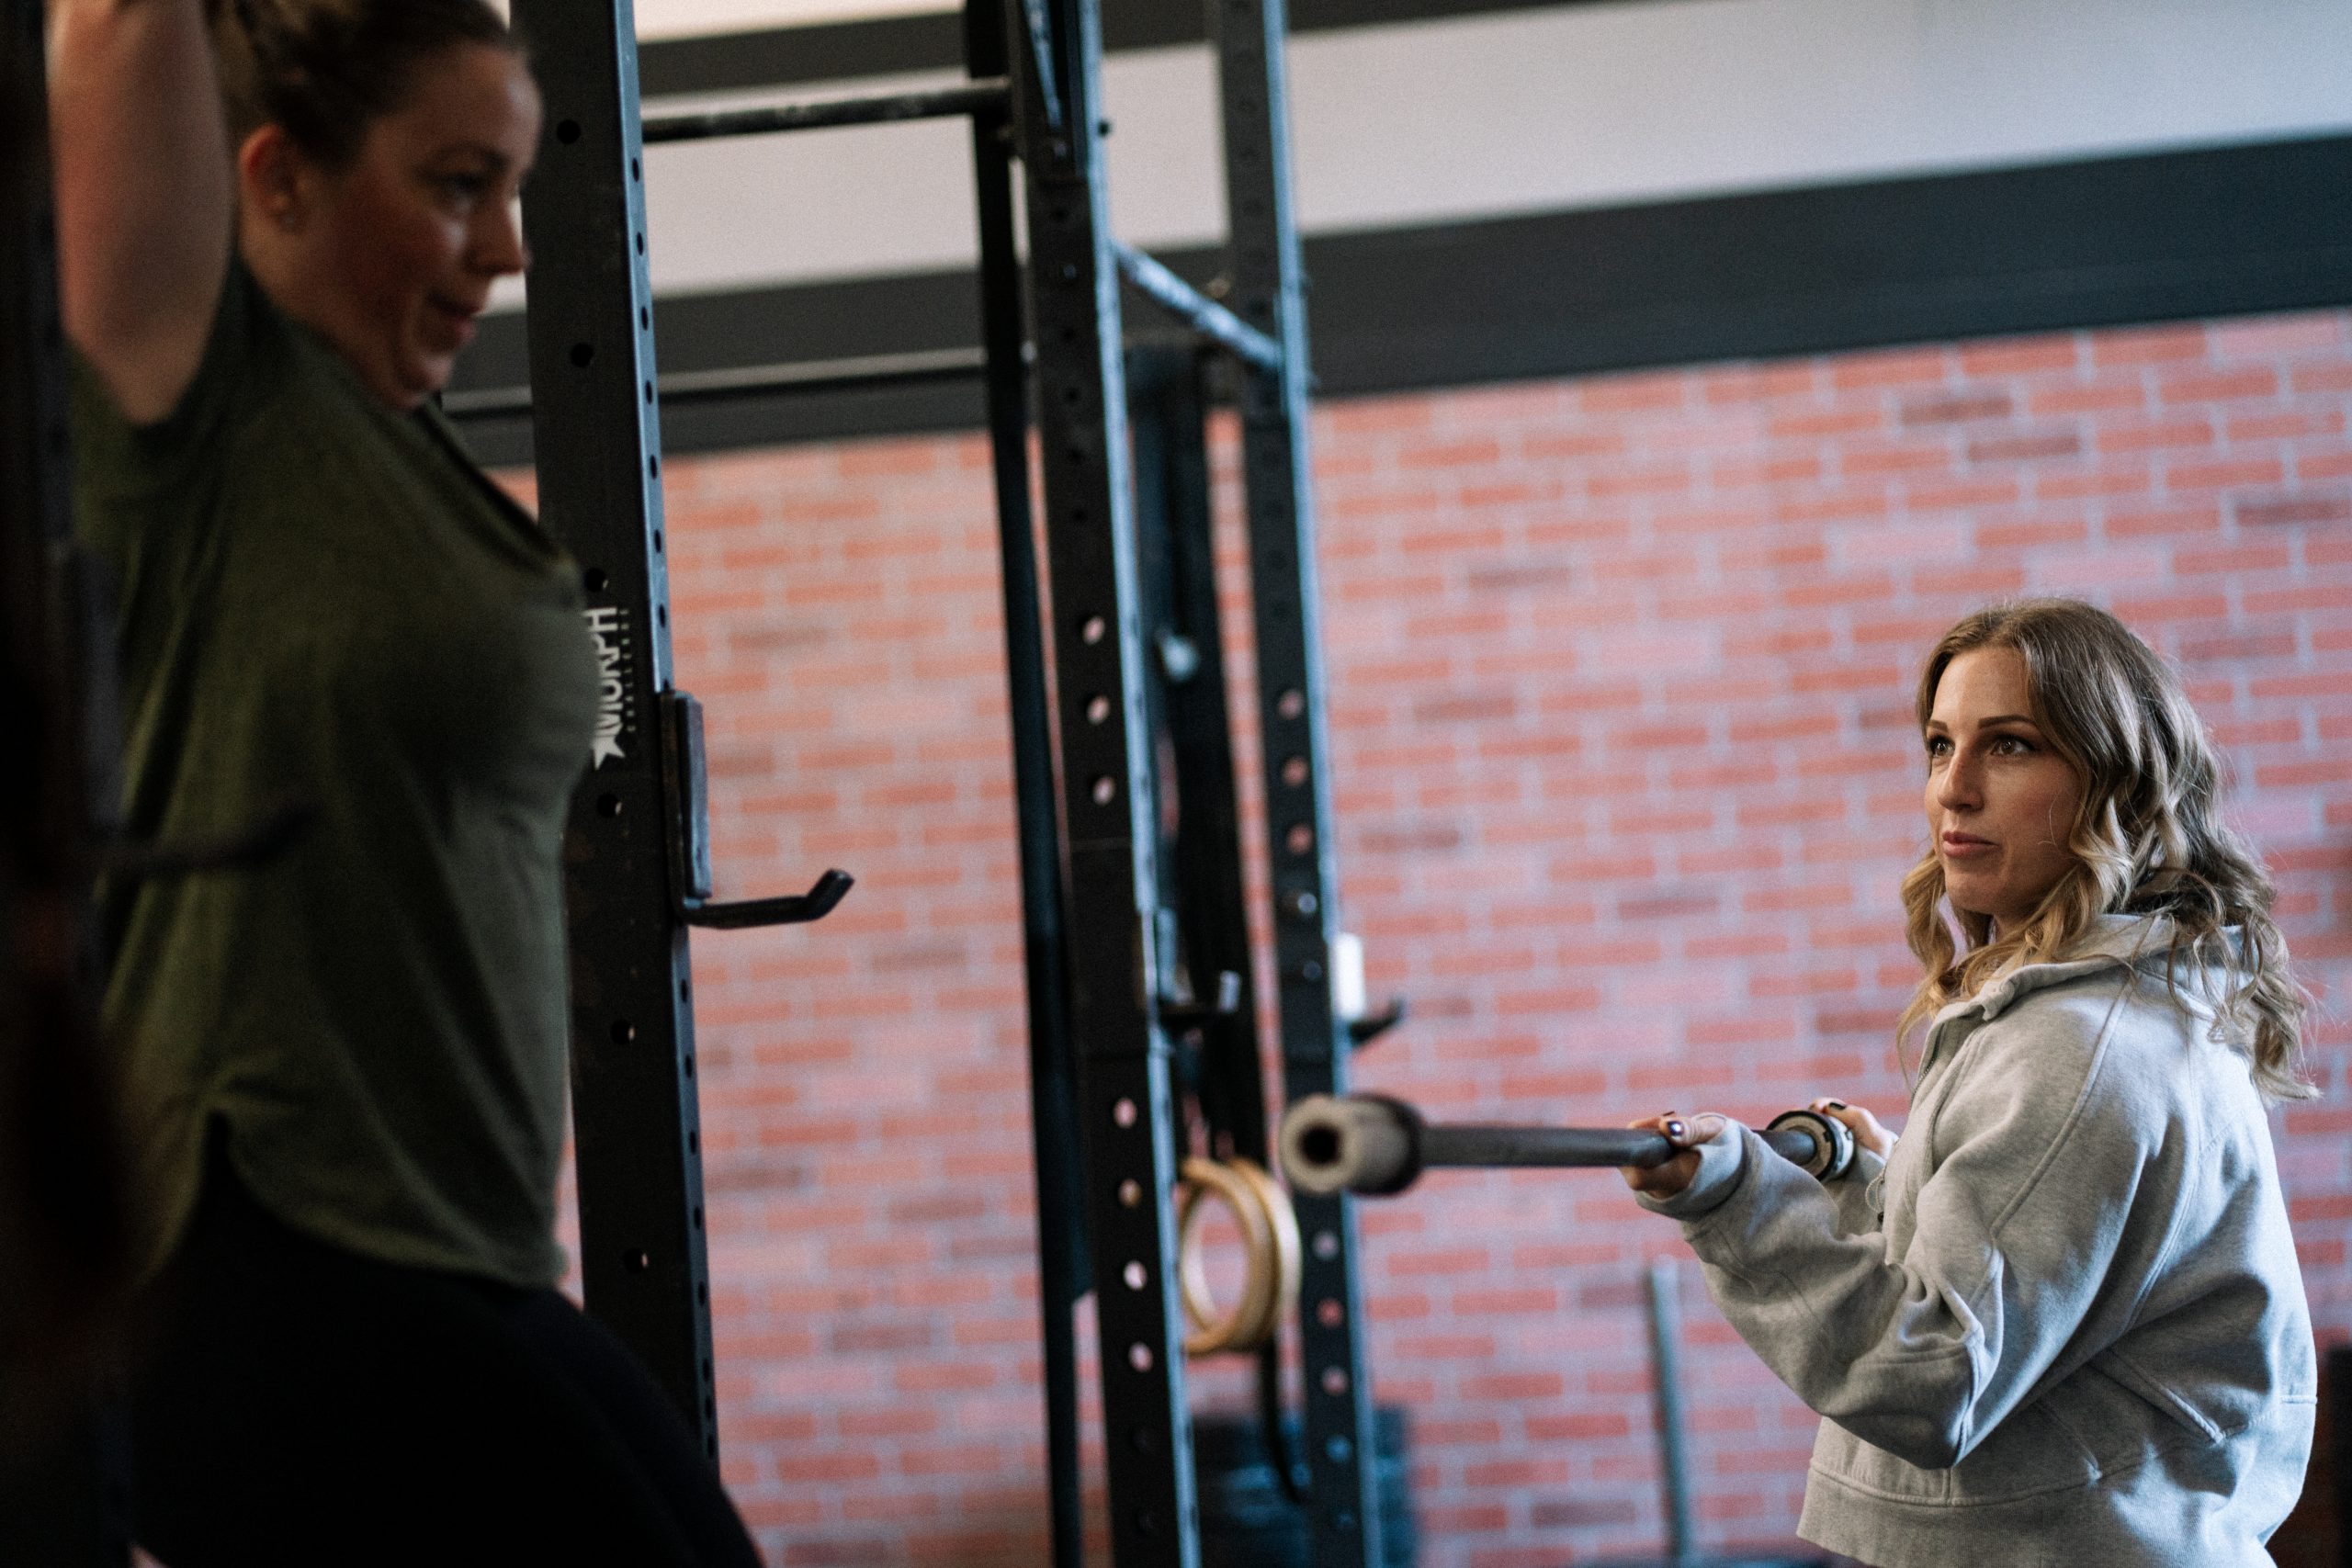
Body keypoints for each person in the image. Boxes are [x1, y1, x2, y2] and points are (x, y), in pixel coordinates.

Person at [49, 2, 763, 1562]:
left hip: (445, 1247)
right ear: (280, 181)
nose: (506, 247)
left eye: (508, 189)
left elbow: (574, 711)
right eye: (455, 184)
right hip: (265, 1245)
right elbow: (112, 27)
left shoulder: (406, 451)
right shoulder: (200, 399)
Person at [1622, 599, 2316, 1568]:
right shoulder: (2095, 1016)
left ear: (2112, 784)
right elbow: (2047, 1283)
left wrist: (1741, 1204)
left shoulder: (2079, 1052)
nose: (1952, 788)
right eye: (1939, 744)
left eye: (2011, 746)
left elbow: (1931, 1376)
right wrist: (1873, 1184)